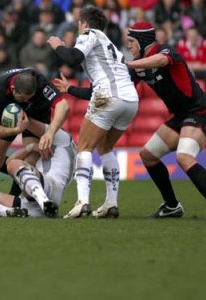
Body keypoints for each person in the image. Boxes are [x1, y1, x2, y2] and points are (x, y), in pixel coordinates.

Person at [47, 6, 139, 218]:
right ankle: (111, 203)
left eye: (80, 23)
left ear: (84, 24)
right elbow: (96, 87)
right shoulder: (111, 47)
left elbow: (73, 58)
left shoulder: (90, 34)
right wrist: (69, 89)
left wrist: (59, 46)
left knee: (84, 148)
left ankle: (82, 202)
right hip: (130, 100)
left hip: (109, 96)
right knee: (105, 147)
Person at [126, 21, 206, 220]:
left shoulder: (165, 51)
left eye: (131, 41)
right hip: (181, 116)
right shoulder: (137, 65)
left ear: (142, 41)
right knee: (147, 155)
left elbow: (160, 61)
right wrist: (74, 90)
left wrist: (129, 63)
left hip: (200, 111)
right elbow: (122, 89)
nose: (129, 46)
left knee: (184, 157)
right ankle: (172, 206)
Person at [0, 68, 70, 196]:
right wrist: (15, 130)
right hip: (13, 118)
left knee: (29, 162)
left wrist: (50, 133)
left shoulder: (40, 81)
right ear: (12, 89)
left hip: (37, 114)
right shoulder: (1, 89)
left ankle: (14, 201)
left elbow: (64, 106)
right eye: (22, 98)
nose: (26, 101)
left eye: (29, 98)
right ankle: (30, 174)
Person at [0, 118, 76, 217]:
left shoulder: (62, 137)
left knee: (15, 164)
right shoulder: (47, 146)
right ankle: (8, 212)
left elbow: (28, 122)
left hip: (51, 190)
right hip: (30, 204)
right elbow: (9, 163)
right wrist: (31, 147)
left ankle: (44, 201)